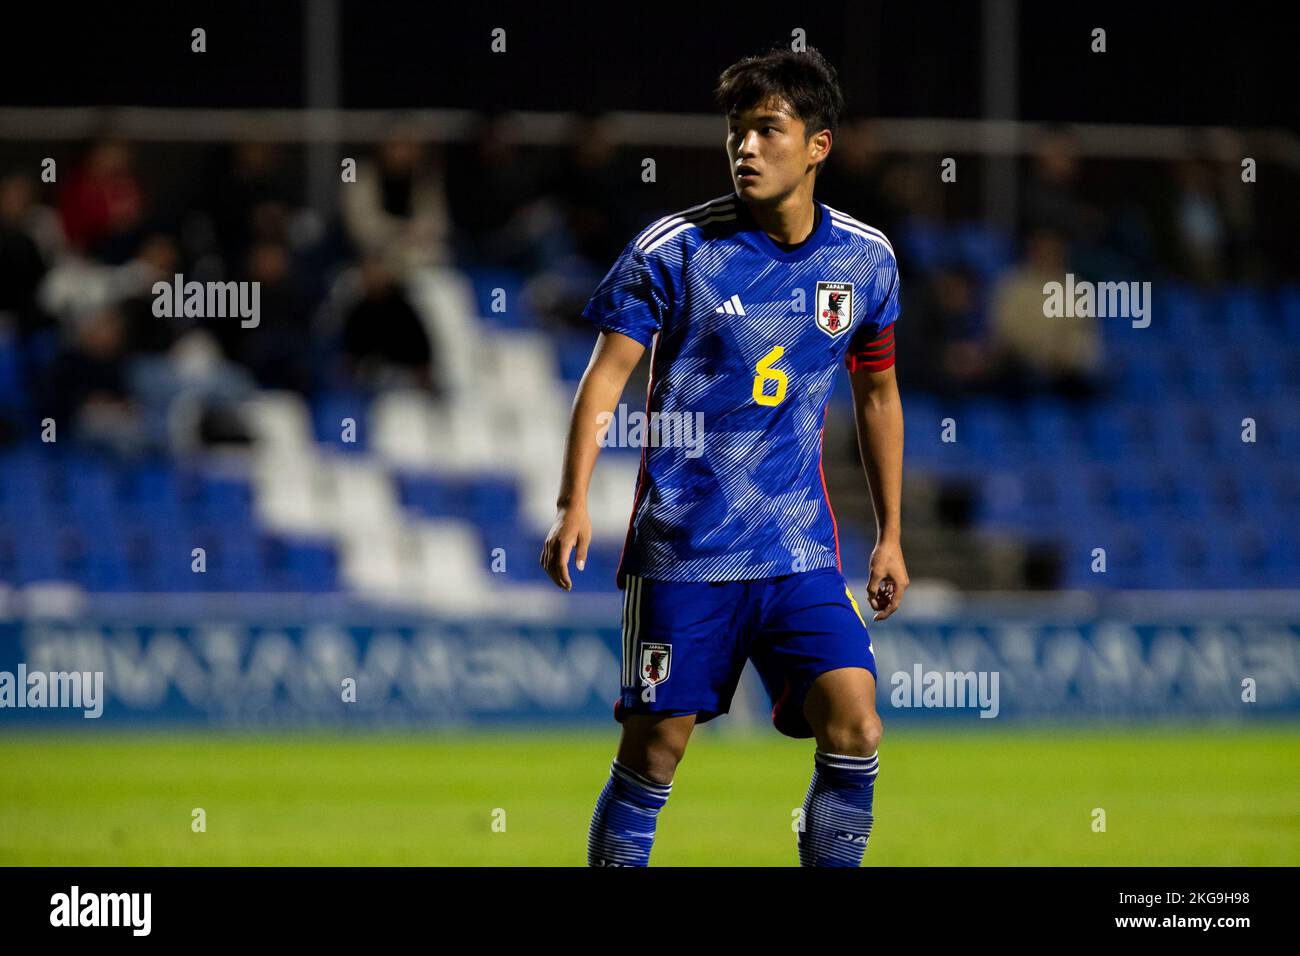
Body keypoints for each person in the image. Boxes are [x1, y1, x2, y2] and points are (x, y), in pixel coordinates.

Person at [540, 48, 909, 867]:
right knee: (653, 756)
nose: (745, 147)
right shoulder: (674, 251)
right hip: (684, 551)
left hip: (796, 548)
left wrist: (889, 534)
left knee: (856, 722)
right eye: (737, 132)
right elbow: (603, 384)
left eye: (767, 130)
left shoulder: (866, 260)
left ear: (817, 145)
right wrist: (572, 501)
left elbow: (878, 395)